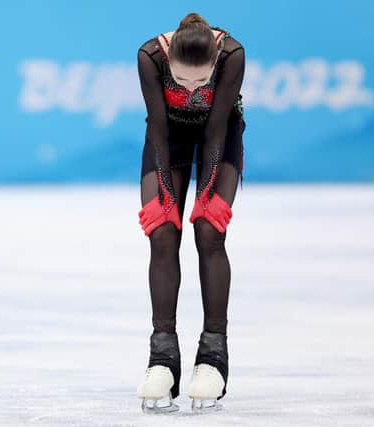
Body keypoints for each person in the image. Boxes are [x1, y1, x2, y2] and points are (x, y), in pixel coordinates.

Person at [134, 12, 246, 414]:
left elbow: (216, 128)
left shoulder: (232, 53)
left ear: (214, 62)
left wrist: (206, 193)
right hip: (169, 140)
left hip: (221, 137)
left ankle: (213, 355)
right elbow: (159, 129)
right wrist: (164, 197)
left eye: (202, 81)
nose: (191, 88)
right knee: (162, 231)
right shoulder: (150, 56)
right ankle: (162, 356)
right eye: (181, 81)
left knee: (208, 229)